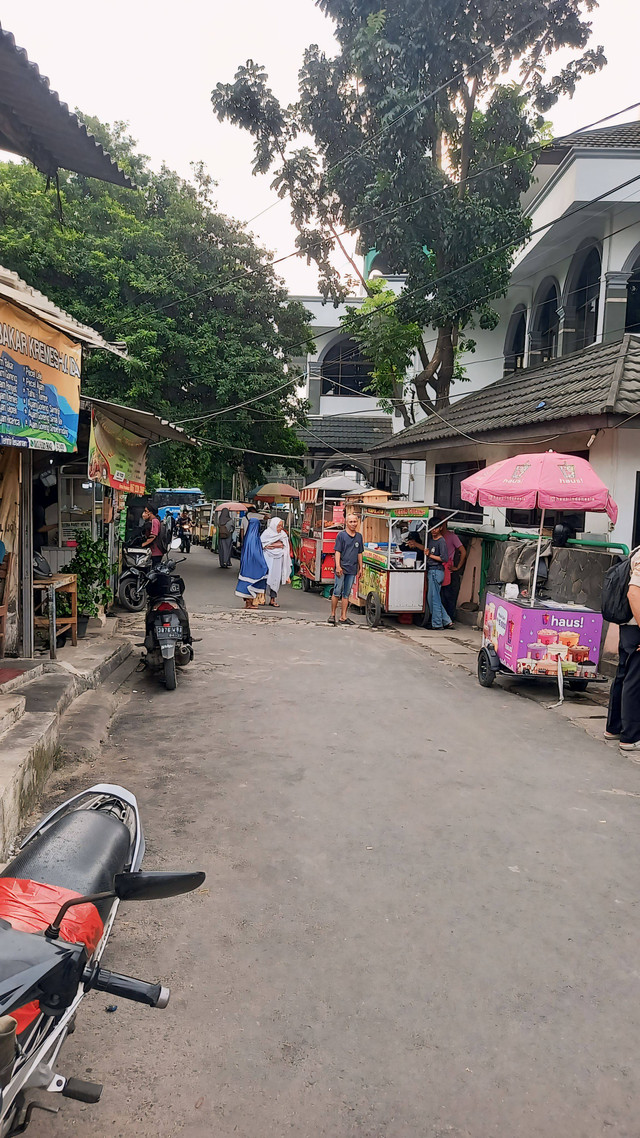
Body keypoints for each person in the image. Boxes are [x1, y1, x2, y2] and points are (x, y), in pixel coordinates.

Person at [605, 547, 640, 755]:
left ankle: (614, 727)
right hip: (636, 625)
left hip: (629, 624)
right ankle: (631, 736)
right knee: (635, 679)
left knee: (623, 674)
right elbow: (634, 593)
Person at [328, 512, 363, 626]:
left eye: (355, 521)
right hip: (342, 568)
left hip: (352, 569)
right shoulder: (341, 536)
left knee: (346, 593)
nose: (353, 524)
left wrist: (360, 567)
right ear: (346, 523)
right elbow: (337, 551)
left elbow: (359, 553)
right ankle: (333, 615)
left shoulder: (359, 537)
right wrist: (338, 566)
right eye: (351, 522)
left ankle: (343, 616)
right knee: (337, 591)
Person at [235, 510, 268, 609]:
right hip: (253, 565)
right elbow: (255, 552)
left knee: (246, 582)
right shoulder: (254, 537)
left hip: (246, 564)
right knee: (252, 582)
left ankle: (248, 603)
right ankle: (250, 603)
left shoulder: (248, 536)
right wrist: (263, 564)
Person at [424, 521, 453, 630]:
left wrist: (430, 555)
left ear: (440, 528)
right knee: (432, 598)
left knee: (434, 599)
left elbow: (444, 558)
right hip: (432, 571)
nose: (433, 530)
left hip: (437, 571)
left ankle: (437, 624)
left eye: (435, 528)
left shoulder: (441, 541)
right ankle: (446, 620)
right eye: (431, 528)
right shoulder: (431, 540)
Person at [437, 514, 466, 621]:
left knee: (448, 595)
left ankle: (449, 618)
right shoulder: (434, 536)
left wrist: (457, 567)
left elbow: (463, 551)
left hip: (448, 569)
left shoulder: (452, 536)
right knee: (438, 594)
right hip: (436, 567)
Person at [260, 516, 292, 607]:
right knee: (265, 578)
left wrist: (273, 545)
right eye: (278, 526)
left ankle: (273, 599)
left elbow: (284, 546)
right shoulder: (267, 533)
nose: (280, 528)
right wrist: (273, 545)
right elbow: (262, 544)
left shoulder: (283, 535)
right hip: (268, 558)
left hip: (279, 559)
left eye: (281, 526)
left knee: (275, 579)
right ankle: (262, 598)